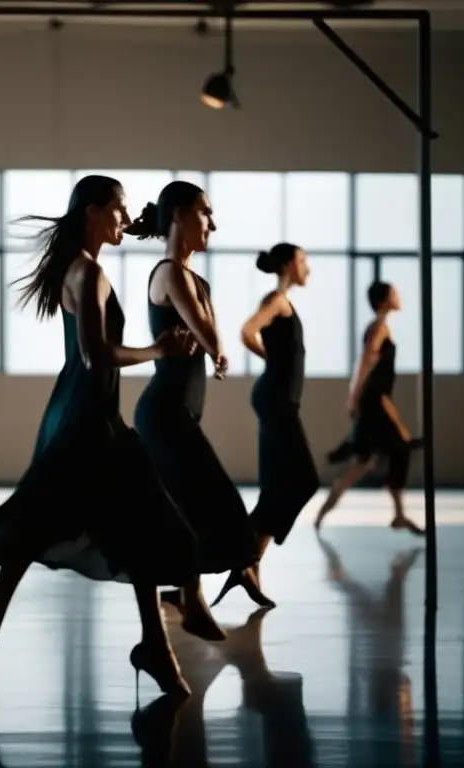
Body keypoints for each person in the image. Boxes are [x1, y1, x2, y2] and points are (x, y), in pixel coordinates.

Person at [0, 175, 222, 698]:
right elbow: (96, 355)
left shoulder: (82, 269)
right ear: (92, 211)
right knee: (147, 525)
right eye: (116, 209)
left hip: (83, 413)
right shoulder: (88, 274)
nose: (122, 217)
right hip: (87, 421)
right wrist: (159, 350)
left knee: (47, 522)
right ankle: (154, 648)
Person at [126, 181, 265, 613]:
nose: (213, 223)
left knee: (187, 514)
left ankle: (187, 598)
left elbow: (211, 336)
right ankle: (183, 597)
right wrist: (215, 344)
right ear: (180, 215)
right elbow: (209, 337)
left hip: (178, 412)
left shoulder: (188, 276)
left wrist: (214, 338)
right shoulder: (169, 272)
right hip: (164, 413)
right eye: (206, 212)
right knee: (219, 507)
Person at [211, 243, 319, 607]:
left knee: (280, 486)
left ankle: (247, 563)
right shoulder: (277, 301)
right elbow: (246, 331)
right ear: (289, 264)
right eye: (304, 261)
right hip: (275, 400)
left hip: (279, 401)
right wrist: (271, 359)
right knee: (303, 480)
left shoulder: (283, 300)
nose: (308, 268)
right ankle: (245, 556)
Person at [315, 281, 423, 534]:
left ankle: (324, 511)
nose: (399, 296)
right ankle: (398, 514)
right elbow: (365, 362)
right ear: (385, 300)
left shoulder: (380, 327)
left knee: (362, 462)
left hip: (376, 399)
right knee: (398, 448)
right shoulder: (378, 328)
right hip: (374, 400)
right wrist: (354, 397)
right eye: (395, 293)